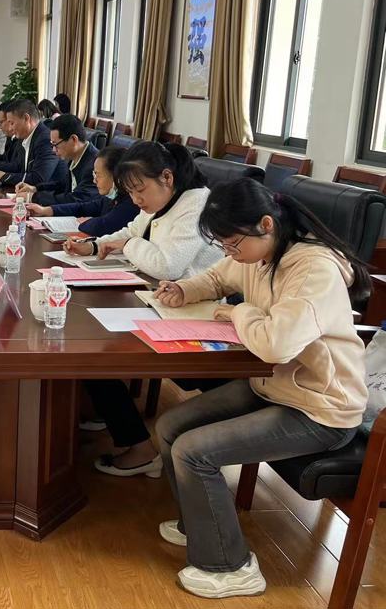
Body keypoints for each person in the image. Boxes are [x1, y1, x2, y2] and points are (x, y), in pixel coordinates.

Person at [152, 179, 368, 599]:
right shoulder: (257, 253)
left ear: (266, 224)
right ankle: (202, 525)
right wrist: (183, 289)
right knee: (170, 427)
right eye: (224, 245)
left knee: (193, 451)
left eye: (233, 244)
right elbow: (217, 277)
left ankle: (231, 567)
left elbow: (276, 344)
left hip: (320, 408)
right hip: (274, 388)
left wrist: (241, 312)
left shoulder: (314, 269)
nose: (229, 253)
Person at [64, 142, 222, 478]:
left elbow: (167, 266)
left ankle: (140, 449)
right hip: (164, 301)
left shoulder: (196, 206)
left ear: (167, 177)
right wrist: (95, 245)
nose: (136, 200)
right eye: (131, 192)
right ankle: (109, 416)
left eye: (140, 190)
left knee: (95, 353)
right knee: (90, 339)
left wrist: (129, 245)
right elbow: (132, 231)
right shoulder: (163, 200)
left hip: (198, 317)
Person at [25, 146, 139, 237]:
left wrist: (90, 221)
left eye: (98, 175)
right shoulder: (112, 196)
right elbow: (82, 207)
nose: (94, 180)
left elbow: (102, 226)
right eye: (94, 174)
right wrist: (46, 210)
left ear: (115, 175)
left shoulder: (131, 201)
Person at [16, 114, 99, 207]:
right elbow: (62, 185)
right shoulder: (75, 156)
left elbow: (76, 199)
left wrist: (33, 197)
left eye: (56, 145)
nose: (53, 150)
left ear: (73, 139)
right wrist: (35, 188)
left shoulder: (95, 164)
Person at [0, 99, 58, 187]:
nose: (10, 128)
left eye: (12, 123)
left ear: (26, 118)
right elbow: (17, 166)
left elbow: (39, 178)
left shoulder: (45, 139)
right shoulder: (24, 137)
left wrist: (4, 176)